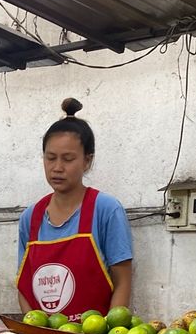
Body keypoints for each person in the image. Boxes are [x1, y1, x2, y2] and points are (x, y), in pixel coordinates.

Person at [16, 98, 133, 317]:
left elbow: (123, 281)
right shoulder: (30, 218)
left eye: (68, 159)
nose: (57, 168)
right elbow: (23, 286)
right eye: (50, 158)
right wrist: (37, 332)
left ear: (87, 161)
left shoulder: (106, 210)